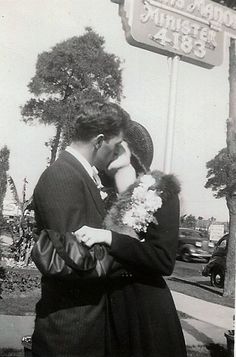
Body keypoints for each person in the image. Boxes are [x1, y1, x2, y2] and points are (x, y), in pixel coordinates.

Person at [75, 121, 187, 357]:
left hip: (146, 310)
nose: (109, 149)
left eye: (118, 144)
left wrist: (110, 238)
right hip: (109, 307)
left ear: (129, 151)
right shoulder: (101, 198)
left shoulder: (161, 193)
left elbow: (163, 261)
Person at [31, 101, 131, 357]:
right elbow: (78, 259)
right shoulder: (62, 176)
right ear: (99, 140)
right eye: (116, 145)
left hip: (86, 330)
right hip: (71, 336)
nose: (118, 152)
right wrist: (130, 249)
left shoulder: (81, 175)